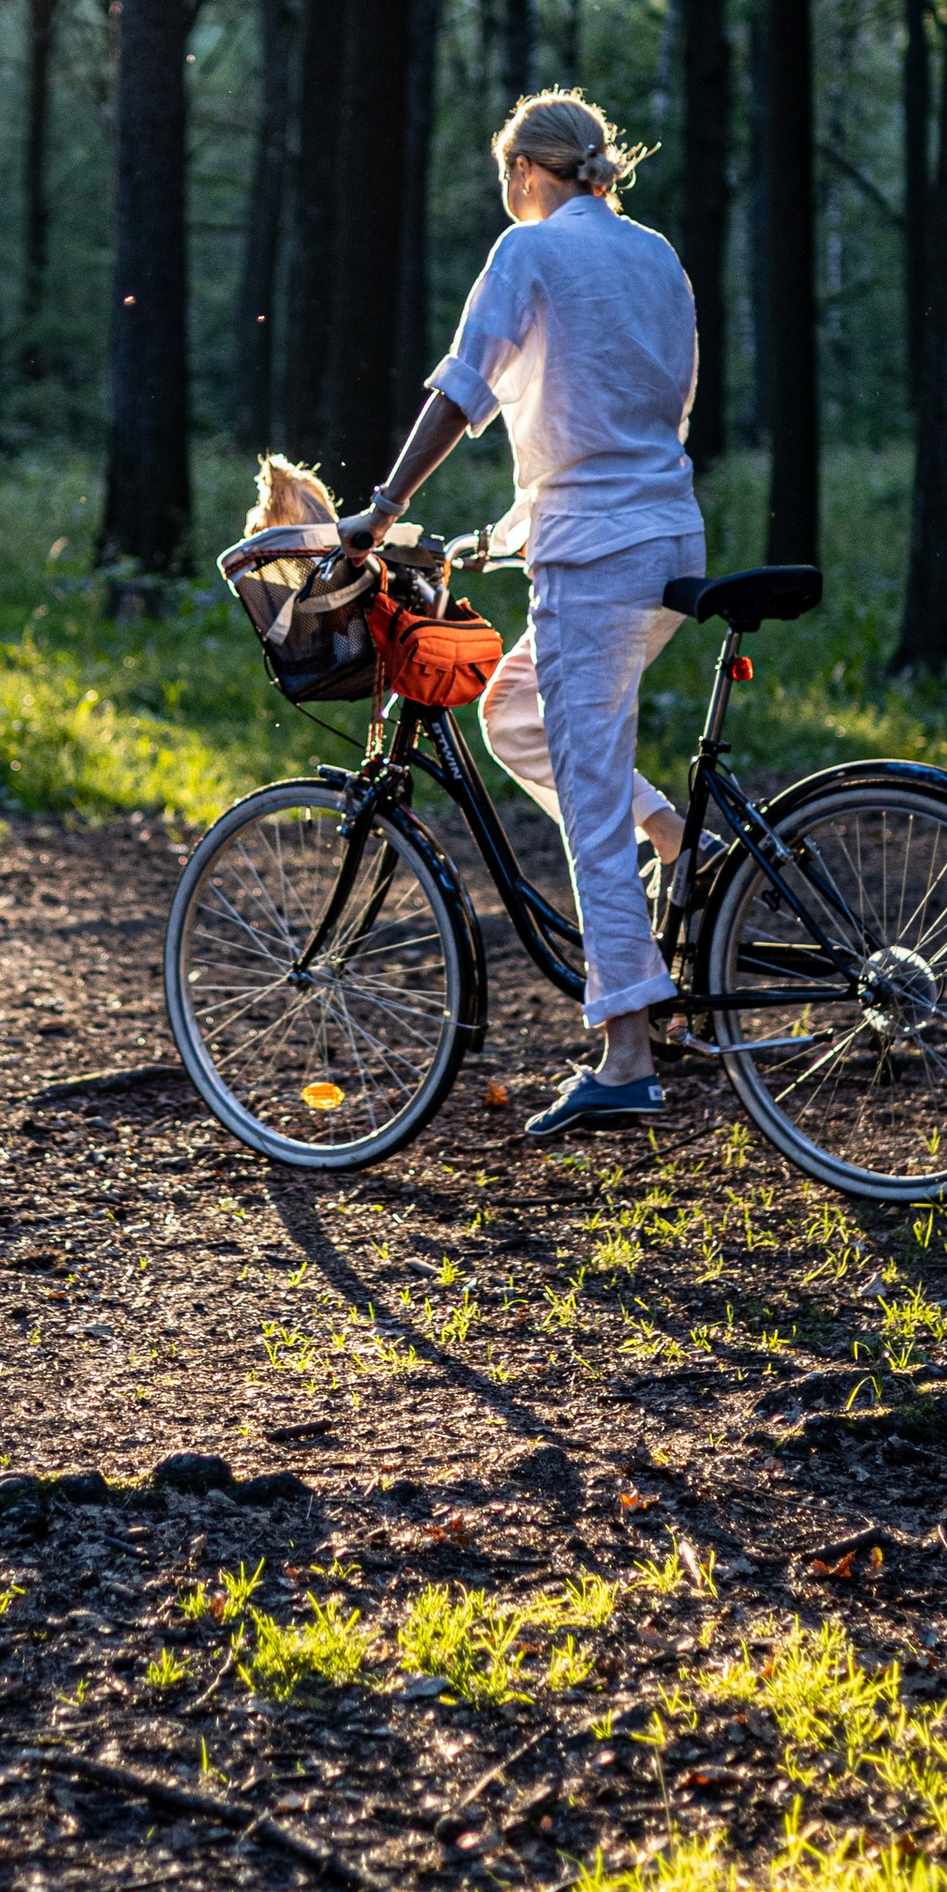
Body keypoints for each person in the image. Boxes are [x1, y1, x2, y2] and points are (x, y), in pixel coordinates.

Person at [336, 88, 705, 1141]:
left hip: (596, 558)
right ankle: (674, 835)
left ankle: (627, 1053)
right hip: (666, 537)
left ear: (524, 174)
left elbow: (464, 387)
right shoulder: (656, 256)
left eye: (506, 178)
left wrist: (386, 505)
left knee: (587, 797)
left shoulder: (527, 253)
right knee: (517, 715)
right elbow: (641, 419)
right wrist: (502, 532)